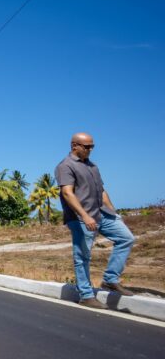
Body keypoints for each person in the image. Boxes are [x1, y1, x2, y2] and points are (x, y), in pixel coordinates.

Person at [55, 132, 135, 309]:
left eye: (92, 146)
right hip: (80, 218)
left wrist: (114, 213)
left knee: (126, 238)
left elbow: (102, 191)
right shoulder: (65, 166)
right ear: (74, 146)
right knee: (82, 256)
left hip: (102, 213)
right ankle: (86, 295)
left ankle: (110, 279)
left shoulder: (92, 166)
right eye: (87, 146)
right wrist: (85, 216)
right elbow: (67, 193)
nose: (90, 150)